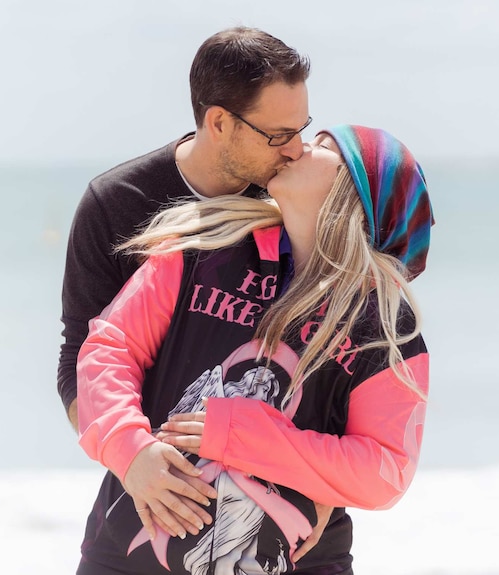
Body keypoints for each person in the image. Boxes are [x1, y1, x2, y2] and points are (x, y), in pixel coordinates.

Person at [76, 125, 434, 574]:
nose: (300, 146)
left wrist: (243, 436)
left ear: (355, 192)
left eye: (324, 147)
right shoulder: (203, 252)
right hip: (126, 558)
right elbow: (108, 351)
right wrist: (130, 451)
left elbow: (385, 471)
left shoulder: (384, 328)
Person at [57, 26, 313, 538]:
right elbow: (77, 364)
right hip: (157, 504)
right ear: (219, 122)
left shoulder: (302, 196)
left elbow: (340, 365)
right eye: (279, 134)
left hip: (286, 516)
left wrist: (323, 495)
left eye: (302, 128)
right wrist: (134, 463)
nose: (296, 150)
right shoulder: (117, 203)